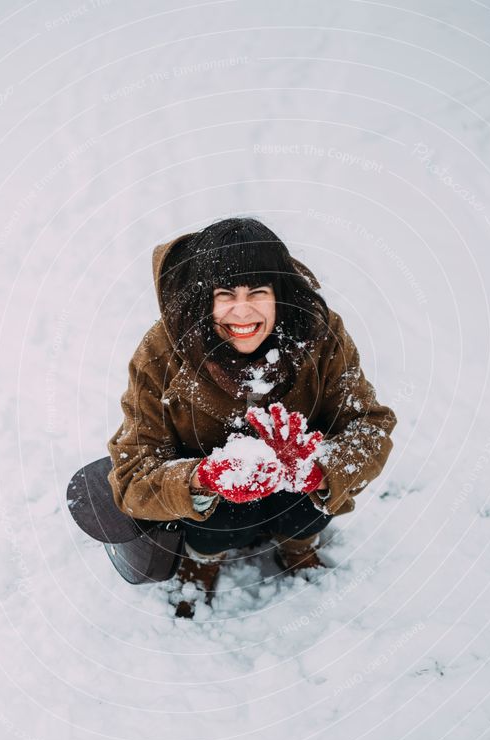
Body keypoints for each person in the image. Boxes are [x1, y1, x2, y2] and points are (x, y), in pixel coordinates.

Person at [106, 217, 397, 617]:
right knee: (218, 522)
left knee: (306, 506)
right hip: (213, 508)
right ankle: (203, 559)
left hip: (295, 487)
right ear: (203, 298)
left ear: (280, 294)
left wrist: (319, 471)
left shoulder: (322, 333)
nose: (241, 312)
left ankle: (298, 547)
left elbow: (369, 425)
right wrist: (202, 479)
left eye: (258, 292)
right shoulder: (162, 350)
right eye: (225, 294)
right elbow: (131, 473)